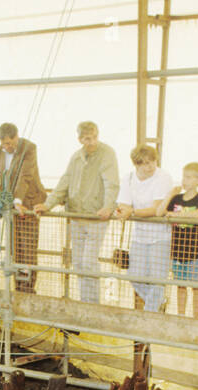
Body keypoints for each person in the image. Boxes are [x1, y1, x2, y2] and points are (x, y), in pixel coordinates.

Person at [35, 121, 119, 303]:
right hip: (76, 216)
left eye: (95, 137)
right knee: (79, 263)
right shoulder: (76, 157)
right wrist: (48, 204)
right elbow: (64, 182)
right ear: (80, 139)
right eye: (87, 138)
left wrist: (108, 206)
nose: (92, 141)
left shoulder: (107, 154)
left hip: (95, 216)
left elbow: (111, 183)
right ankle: (85, 302)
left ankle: (92, 305)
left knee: (89, 262)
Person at [0, 122, 46, 293]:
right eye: (4, 143)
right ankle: (17, 289)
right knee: (14, 249)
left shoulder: (29, 148)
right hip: (9, 207)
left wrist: (18, 200)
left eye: (10, 143)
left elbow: (25, 176)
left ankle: (28, 290)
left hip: (27, 205)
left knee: (27, 249)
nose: (7, 147)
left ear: (17, 137)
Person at [115, 145, 173, 314]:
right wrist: (123, 210)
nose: (150, 166)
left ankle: (149, 316)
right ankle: (158, 302)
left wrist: (131, 212)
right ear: (136, 165)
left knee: (157, 279)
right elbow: (123, 203)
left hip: (160, 236)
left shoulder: (163, 177)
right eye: (145, 163)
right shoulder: (129, 178)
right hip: (139, 235)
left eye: (153, 161)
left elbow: (156, 209)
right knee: (134, 276)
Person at [165, 162, 198, 318]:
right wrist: (170, 194)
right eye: (185, 176)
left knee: (196, 286)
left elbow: (197, 214)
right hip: (177, 250)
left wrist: (176, 215)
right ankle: (181, 315)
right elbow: (164, 211)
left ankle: (196, 317)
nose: (186, 180)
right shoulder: (176, 199)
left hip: (195, 251)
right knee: (181, 285)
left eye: (190, 177)